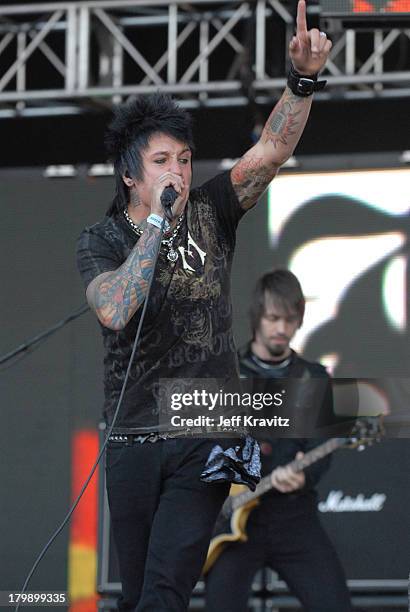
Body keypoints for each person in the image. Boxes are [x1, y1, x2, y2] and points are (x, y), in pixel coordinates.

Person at [76, 2, 333, 610]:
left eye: (184, 160)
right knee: (139, 593)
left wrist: (301, 83)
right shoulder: (103, 239)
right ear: (130, 178)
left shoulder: (212, 210)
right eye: (162, 162)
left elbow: (269, 153)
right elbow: (114, 310)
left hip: (206, 427)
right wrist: (156, 227)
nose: (179, 173)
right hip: (135, 437)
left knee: (167, 590)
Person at [205, 269, 352, 612]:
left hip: (293, 518)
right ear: (258, 316)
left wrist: (304, 476)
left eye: (290, 320)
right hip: (233, 522)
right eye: (273, 318)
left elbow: (321, 444)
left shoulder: (312, 378)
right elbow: (204, 443)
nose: (282, 329)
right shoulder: (228, 374)